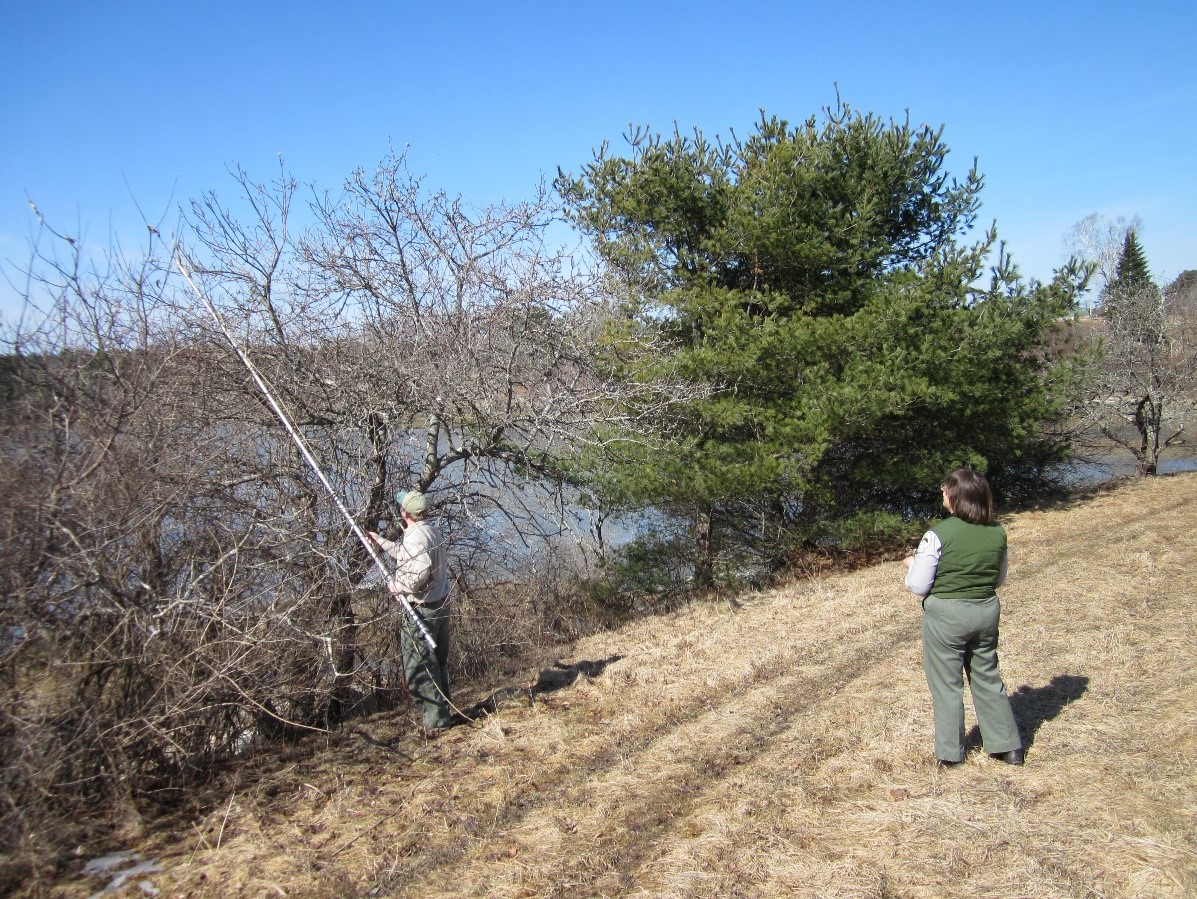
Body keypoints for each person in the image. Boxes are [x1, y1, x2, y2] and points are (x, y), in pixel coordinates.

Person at [904, 468, 1024, 768]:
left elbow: (917, 585)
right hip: (985, 611)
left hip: (947, 616)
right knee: (987, 675)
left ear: (955, 498)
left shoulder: (937, 534)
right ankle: (1008, 746)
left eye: (945, 492)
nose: (942, 496)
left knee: (946, 684)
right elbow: (999, 578)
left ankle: (950, 754)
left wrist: (912, 563)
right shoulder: (998, 532)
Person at [368, 489, 453, 733]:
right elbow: (410, 556)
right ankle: (443, 712)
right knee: (437, 664)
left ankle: (436, 723)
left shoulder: (417, 537)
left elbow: (420, 569)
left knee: (420, 666)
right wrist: (381, 542)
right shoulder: (429, 531)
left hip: (422, 610)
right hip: (439, 606)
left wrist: (399, 587)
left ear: (405, 513)